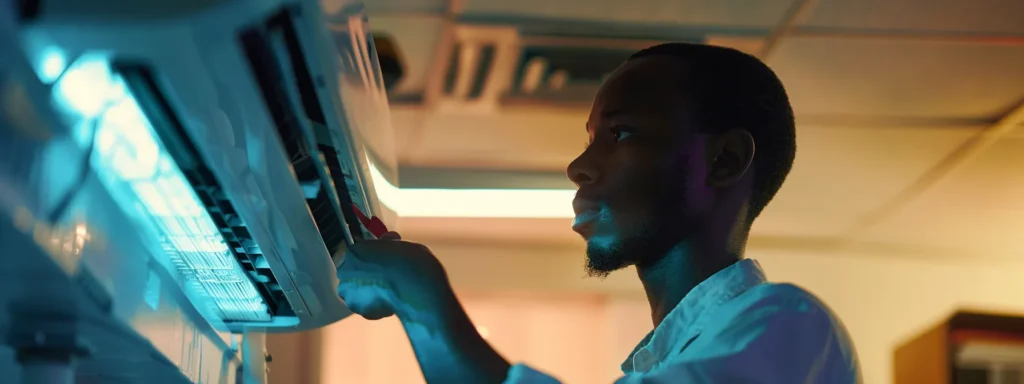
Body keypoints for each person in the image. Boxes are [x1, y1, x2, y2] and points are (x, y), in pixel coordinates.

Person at [336, 42, 862, 383]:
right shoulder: (672, 360)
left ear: (723, 160)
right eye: (590, 140)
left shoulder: (789, 326)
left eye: (620, 133)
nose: (578, 167)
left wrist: (421, 297)